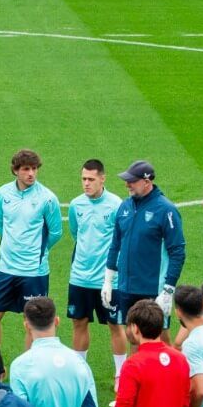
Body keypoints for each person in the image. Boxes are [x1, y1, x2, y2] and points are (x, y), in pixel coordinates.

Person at [0, 149, 62, 354]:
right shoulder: (2, 194)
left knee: (33, 323)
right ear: (15, 170)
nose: (31, 174)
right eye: (26, 169)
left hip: (33, 272)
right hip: (6, 268)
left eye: (34, 169)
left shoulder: (47, 198)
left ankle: (29, 368)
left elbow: (55, 232)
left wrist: (37, 252)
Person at [103, 161, 185, 329]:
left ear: (147, 182)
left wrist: (168, 290)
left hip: (153, 290)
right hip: (126, 287)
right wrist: (108, 280)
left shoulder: (166, 210)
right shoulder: (125, 206)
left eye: (132, 181)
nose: (127, 184)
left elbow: (177, 252)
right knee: (133, 336)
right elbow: (115, 244)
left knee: (158, 338)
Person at [67, 159, 127, 384]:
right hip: (80, 277)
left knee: (115, 325)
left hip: (108, 280)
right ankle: (79, 372)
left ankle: (120, 375)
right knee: (79, 322)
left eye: (91, 179)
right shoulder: (76, 205)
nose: (86, 183)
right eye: (83, 179)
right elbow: (76, 233)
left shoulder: (116, 205)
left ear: (103, 178)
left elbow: (121, 240)